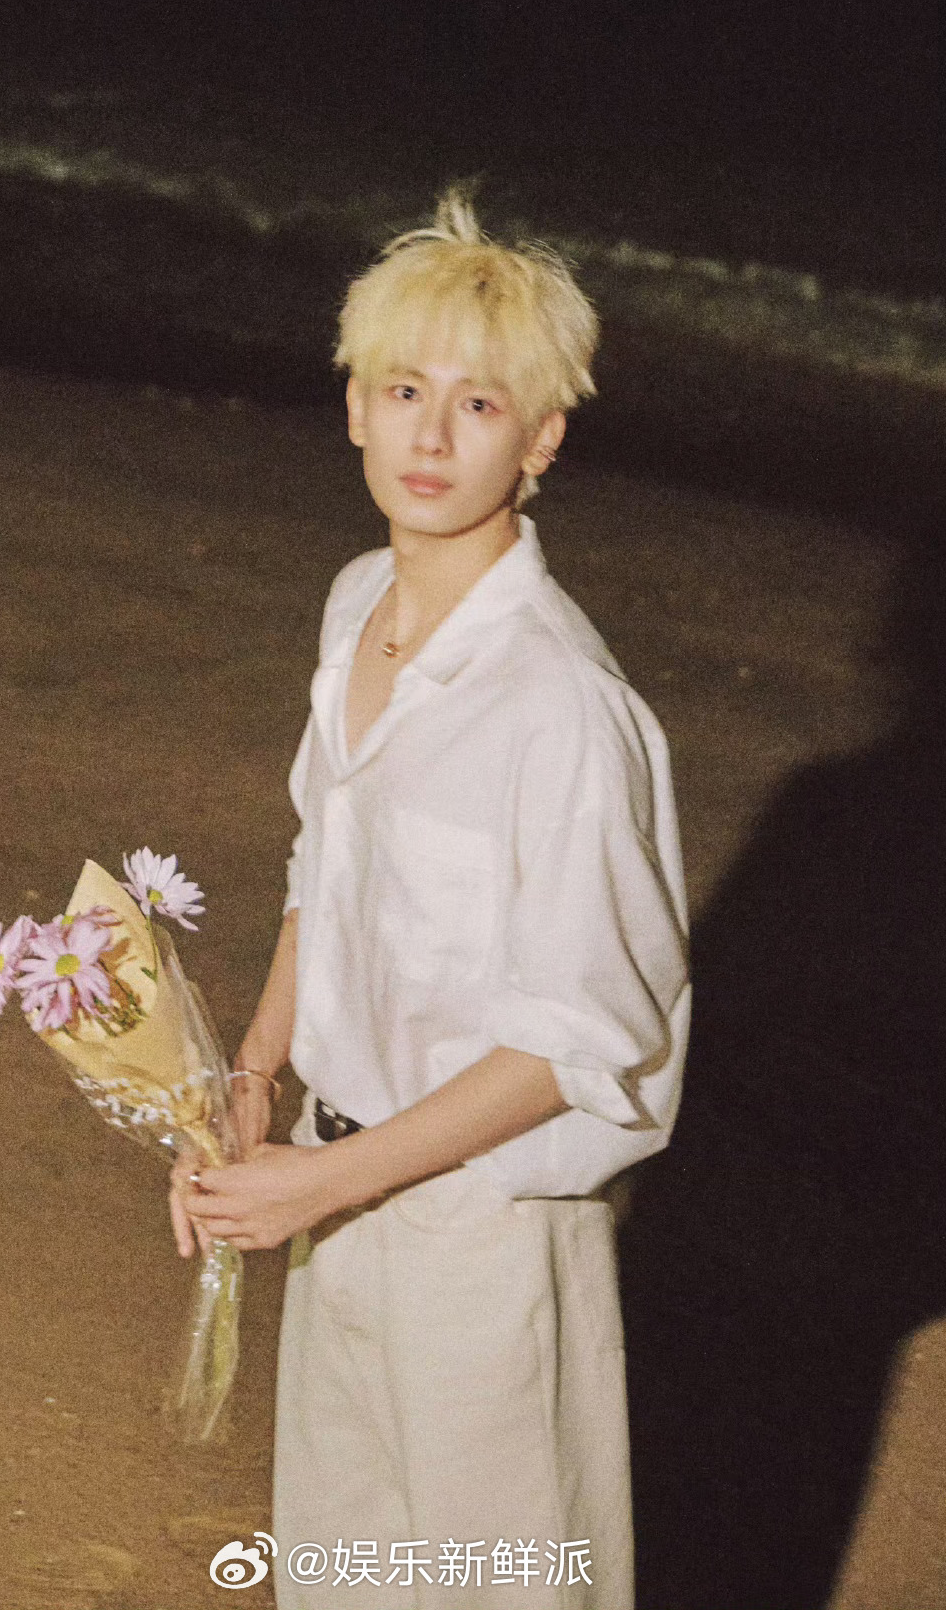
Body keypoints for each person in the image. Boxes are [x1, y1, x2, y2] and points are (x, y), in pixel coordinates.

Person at [173, 190, 689, 1610]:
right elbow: (324, 866)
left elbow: (580, 1041)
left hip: (480, 1225)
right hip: (336, 1189)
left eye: (480, 404)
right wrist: (253, 1077)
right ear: (355, 406)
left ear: (543, 440)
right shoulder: (357, 607)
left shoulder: (564, 707)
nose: (433, 436)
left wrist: (325, 1183)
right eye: (405, 391)